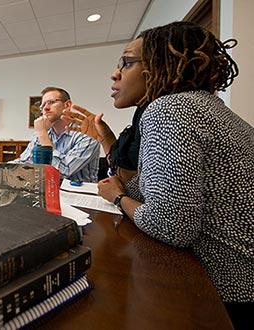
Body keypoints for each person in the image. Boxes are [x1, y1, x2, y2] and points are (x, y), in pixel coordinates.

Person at [67, 22, 253, 329]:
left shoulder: (170, 110)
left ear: (163, 64)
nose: (115, 74)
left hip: (229, 291)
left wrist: (117, 196)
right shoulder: (206, 107)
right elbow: (154, 190)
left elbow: (171, 225)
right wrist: (125, 187)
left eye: (126, 62)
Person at [11, 87, 100, 182]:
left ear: (67, 105)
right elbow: (24, 162)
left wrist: (42, 134)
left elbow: (64, 171)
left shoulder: (87, 134)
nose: (45, 108)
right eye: (42, 106)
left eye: (51, 102)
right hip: (48, 190)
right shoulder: (42, 133)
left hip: (79, 194)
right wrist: (1, 166)